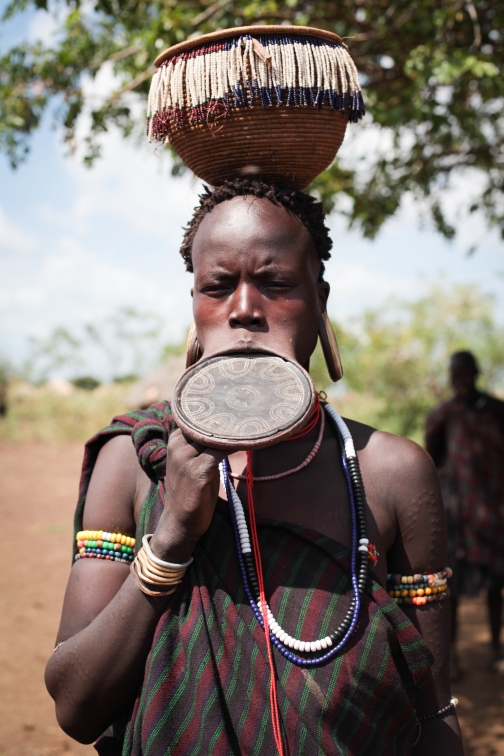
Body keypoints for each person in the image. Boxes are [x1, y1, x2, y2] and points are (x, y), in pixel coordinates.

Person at [45, 179, 462, 755]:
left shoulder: (389, 472)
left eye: (276, 284)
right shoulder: (136, 463)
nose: (244, 309)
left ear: (320, 299)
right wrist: (170, 539)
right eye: (217, 286)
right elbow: (75, 708)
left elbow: (435, 712)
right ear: (194, 304)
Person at [425, 350, 504, 673]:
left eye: (464, 373)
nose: (460, 380)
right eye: (454, 374)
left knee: (497, 584)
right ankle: (452, 655)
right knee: (452, 586)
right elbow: (432, 455)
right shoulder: (444, 414)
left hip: (494, 509)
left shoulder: (497, 411)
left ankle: (497, 650)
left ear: (474, 373)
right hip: (457, 511)